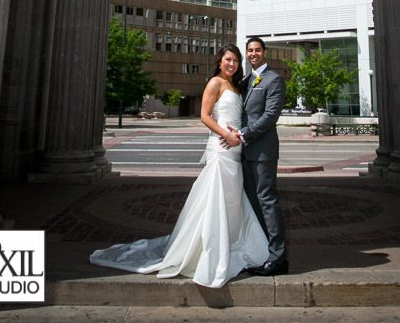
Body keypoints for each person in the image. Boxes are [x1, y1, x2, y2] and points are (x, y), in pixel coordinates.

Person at [89, 44, 268, 288]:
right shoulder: (215, 83)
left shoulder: (237, 86)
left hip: (236, 150)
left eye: (235, 61)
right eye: (228, 59)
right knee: (216, 199)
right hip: (221, 147)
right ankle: (208, 248)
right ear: (219, 61)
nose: (232, 64)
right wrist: (225, 135)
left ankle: (234, 241)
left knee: (233, 200)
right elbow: (205, 116)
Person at [223, 36, 288, 276]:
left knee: (268, 201)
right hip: (245, 152)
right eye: (249, 51)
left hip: (263, 151)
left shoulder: (274, 80)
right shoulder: (246, 81)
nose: (253, 54)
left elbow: (270, 116)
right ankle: (262, 252)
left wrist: (244, 133)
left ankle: (278, 258)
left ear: (265, 52)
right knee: (253, 203)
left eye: (257, 50)